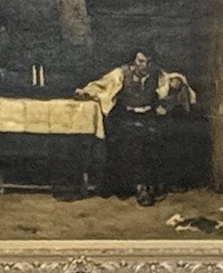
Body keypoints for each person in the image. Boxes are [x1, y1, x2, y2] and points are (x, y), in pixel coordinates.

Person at [74, 49, 195, 205]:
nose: (144, 65)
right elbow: (100, 85)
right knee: (130, 141)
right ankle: (137, 186)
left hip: (148, 116)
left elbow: (176, 79)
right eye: (141, 61)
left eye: (148, 62)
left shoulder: (156, 74)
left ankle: (148, 186)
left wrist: (177, 82)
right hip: (125, 116)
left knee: (153, 140)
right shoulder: (121, 74)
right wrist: (86, 92)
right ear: (134, 61)